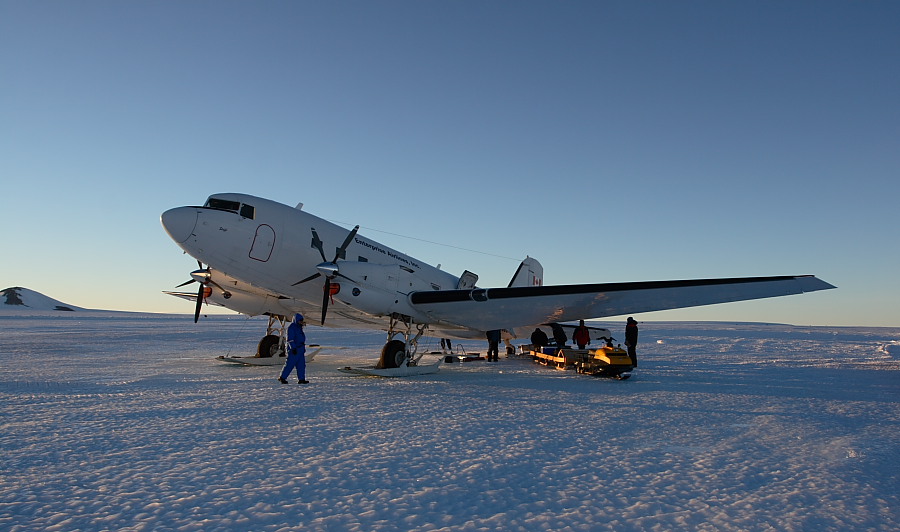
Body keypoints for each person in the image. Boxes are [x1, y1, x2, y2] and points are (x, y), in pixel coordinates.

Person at [279, 313, 308, 384]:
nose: (301, 322)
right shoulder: (291, 328)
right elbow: (290, 339)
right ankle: (282, 377)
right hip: (294, 350)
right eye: (300, 320)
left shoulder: (299, 327)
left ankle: (301, 379)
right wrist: (293, 348)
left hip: (300, 349)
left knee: (301, 365)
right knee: (290, 364)